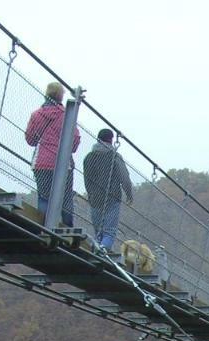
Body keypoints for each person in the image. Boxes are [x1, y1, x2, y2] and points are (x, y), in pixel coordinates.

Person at [26, 83, 80, 228]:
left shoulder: (36, 115)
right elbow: (74, 141)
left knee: (44, 198)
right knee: (66, 198)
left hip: (41, 162)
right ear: (61, 95)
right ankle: (68, 227)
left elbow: (30, 140)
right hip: (63, 163)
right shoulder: (67, 115)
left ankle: (42, 227)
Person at [83, 128, 134, 252]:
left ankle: (97, 249)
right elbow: (124, 177)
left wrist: (91, 195)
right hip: (112, 197)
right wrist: (129, 193)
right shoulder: (114, 156)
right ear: (111, 140)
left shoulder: (88, 158)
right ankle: (103, 252)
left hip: (95, 198)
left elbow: (86, 180)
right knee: (109, 231)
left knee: (99, 232)